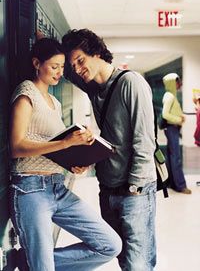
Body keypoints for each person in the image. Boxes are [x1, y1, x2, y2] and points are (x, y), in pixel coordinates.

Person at [9, 38, 122, 271]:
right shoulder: (25, 94)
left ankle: (24, 262)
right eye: (54, 66)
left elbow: (52, 147)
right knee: (43, 267)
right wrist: (65, 143)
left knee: (110, 245)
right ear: (36, 63)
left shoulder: (55, 102)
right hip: (30, 190)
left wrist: (74, 162)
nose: (60, 72)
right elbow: (16, 146)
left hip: (57, 188)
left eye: (62, 67)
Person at [62, 29, 157, 271]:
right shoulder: (95, 90)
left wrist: (134, 187)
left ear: (96, 52)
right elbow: (63, 73)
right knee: (123, 259)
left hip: (133, 191)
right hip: (108, 188)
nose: (78, 68)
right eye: (73, 65)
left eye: (80, 60)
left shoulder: (131, 83)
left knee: (138, 263)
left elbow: (144, 141)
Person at [161, 73, 191, 194]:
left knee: (171, 157)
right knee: (176, 158)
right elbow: (165, 114)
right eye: (177, 82)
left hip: (171, 129)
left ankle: (171, 182)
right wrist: (179, 119)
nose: (179, 84)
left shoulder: (170, 95)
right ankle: (180, 185)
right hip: (172, 129)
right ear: (172, 83)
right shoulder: (170, 97)